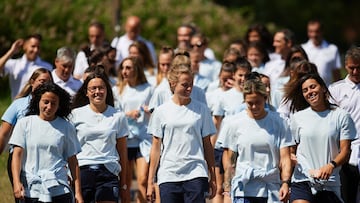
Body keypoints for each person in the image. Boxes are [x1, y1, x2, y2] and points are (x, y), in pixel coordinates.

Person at [146, 59, 216, 203]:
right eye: (185, 85)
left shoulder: (202, 109)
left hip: (196, 172)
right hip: (168, 174)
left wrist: (213, 175)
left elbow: (207, 144)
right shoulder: (161, 111)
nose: (189, 89)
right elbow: (156, 147)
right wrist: (150, 181)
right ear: (173, 84)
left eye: (191, 85)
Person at [220, 78, 293, 203]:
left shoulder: (279, 122)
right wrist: (227, 190)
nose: (254, 107)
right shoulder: (235, 123)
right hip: (244, 188)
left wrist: (285, 182)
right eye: (249, 103)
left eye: (258, 102)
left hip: (270, 187)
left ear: (265, 98)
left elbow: (285, 158)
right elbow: (230, 159)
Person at [287, 74, 356, 203]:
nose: (310, 92)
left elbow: (345, 151)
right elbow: (291, 150)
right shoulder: (298, 118)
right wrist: (291, 157)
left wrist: (331, 166)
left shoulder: (341, 116)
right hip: (303, 179)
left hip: (329, 182)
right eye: (305, 90)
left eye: (312, 87)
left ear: (323, 88)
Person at [9, 82, 83, 203]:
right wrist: (16, 182)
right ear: (38, 101)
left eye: (53, 103)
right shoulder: (24, 123)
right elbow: (17, 155)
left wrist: (78, 192)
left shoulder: (67, 127)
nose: (49, 107)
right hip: (31, 190)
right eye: (46, 102)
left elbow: (73, 161)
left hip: (59, 189)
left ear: (59, 105)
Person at [70, 70, 129, 203]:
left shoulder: (118, 116)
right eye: (93, 88)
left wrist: (124, 183)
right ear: (86, 92)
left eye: (101, 88)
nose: (97, 91)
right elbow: (69, 149)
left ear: (107, 90)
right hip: (83, 170)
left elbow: (122, 152)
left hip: (108, 171)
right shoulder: (75, 114)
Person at [0, 68, 53, 203]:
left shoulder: (53, 107)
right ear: (32, 82)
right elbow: (4, 134)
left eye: (48, 82)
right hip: (20, 159)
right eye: (42, 81)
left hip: (46, 159)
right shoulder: (19, 104)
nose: (45, 85)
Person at [112, 56, 153, 203]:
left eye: (128, 68)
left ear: (137, 69)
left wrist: (149, 110)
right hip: (125, 140)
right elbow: (112, 114)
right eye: (123, 68)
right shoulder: (117, 90)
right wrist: (127, 114)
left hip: (143, 139)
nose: (124, 71)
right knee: (125, 183)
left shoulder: (148, 89)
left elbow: (155, 109)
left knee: (142, 179)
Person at [329, 47, 360, 203]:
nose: (355, 71)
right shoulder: (336, 90)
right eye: (351, 67)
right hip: (346, 150)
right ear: (345, 67)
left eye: (358, 67)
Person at [0, 34, 53, 99]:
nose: (36, 50)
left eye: (38, 47)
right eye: (33, 46)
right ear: (25, 46)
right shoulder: (14, 64)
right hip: (17, 105)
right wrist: (12, 51)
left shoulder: (47, 67)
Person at [301, 19, 342, 86]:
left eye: (317, 31)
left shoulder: (332, 49)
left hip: (327, 90)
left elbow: (337, 75)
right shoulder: (302, 49)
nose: (314, 34)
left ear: (322, 31)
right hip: (308, 91)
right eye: (311, 31)